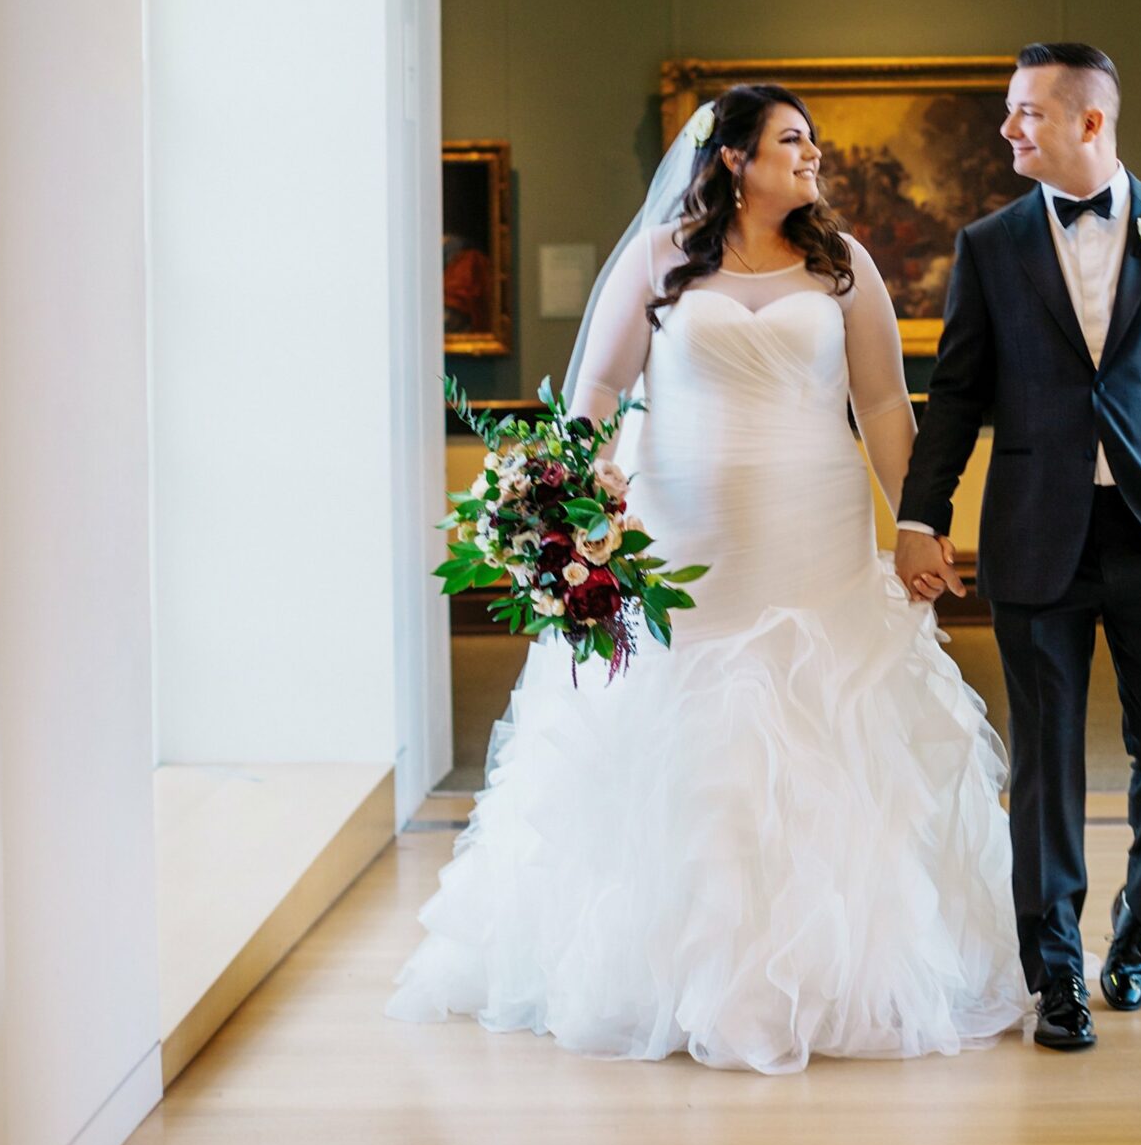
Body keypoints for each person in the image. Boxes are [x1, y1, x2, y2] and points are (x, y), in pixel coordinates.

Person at [387, 83, 1027, 1074]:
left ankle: (829, 978)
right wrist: (585, 484)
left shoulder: (843, 266)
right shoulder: (659, 261)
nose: (813, 155)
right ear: (733, 158)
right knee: (686, 734)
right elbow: (596, 386)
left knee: (826, 733)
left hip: (815, 544)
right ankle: (669, 973)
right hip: (688, 547)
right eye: (790, 140)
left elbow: (887, 408)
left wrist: (918, 524)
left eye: (814, 141)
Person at [896, 44, 1141, 1053]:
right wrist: (924, 515)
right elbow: (957, 395)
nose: (1009, 129)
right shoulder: (990, 246)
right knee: (1045, 764)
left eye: (1026, 114)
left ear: (1090, 123)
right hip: (1036, 537)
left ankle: (1138, 936)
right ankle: (1054, 972)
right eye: (1011, 113)